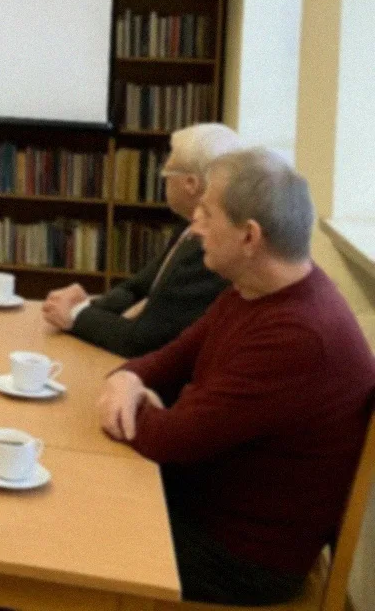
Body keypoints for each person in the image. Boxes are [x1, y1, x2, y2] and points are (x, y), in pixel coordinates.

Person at [98, 148, 375, 606]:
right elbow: (166, 360)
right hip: (200, 505)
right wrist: (127, 381)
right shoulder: (251, 290)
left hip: (239, 560)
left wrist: (131, 398)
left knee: (55, 533)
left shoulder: (299, 336)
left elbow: (170, 440)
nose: (194, 228)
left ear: (249, 236)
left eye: (207, 214)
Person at [42, 122, 241, 357]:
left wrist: (75, 315)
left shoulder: (208, 251)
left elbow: (143, 341)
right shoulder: (187, 227)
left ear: (190, 184)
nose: (163, 179)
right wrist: (87, 305)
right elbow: (136, 288)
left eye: (167, 173)